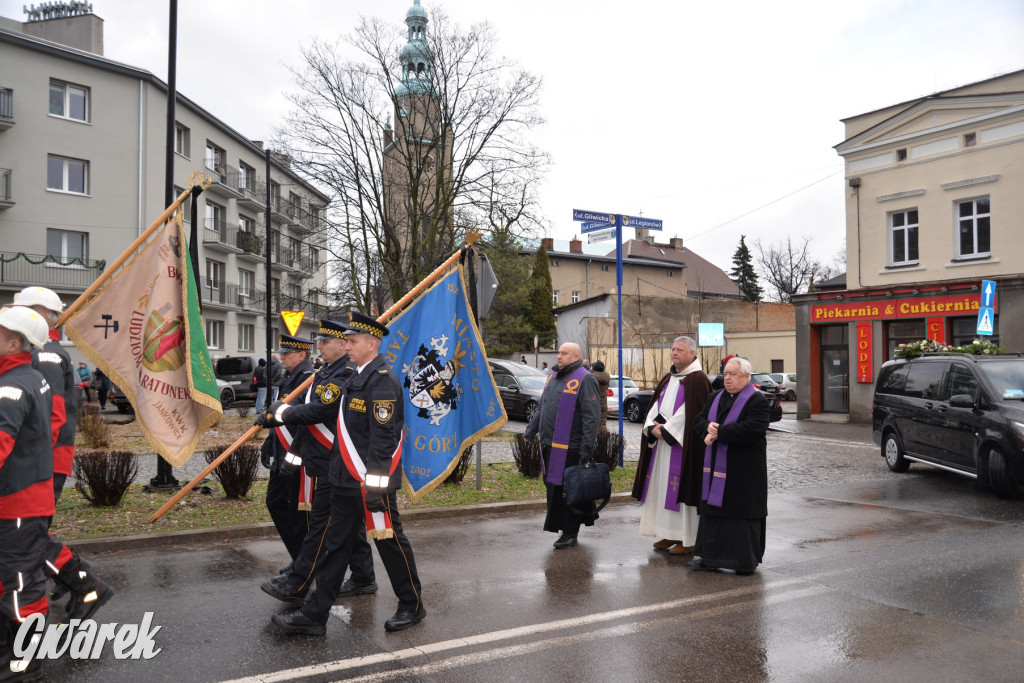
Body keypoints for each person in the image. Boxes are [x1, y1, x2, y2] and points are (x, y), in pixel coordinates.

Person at [270, 311, 425, 635]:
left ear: (372, 343)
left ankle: (411, 605)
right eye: (346, 341)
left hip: (370, 485)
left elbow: (383, 440)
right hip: (343, 479)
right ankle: (315, 616)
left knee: (390, 542)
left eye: (352, 341)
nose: (347, 345)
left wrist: (376, 488)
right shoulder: (355, 377)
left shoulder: (382, 381)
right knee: (336, 547)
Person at [12, 288, 114, 622]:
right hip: (38, 459)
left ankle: (86, 585)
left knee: (26, 535)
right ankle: (80, 584)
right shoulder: (42, 353)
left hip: (42, 460)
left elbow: (52, 417)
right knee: (26, 535)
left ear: (39, 314)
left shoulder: (47, 356)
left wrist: (32, 459)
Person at [256, 320, 375, 605]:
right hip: (326, 458)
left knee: (324, 524)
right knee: (344, 522)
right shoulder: (325, 372)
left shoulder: (343, 373)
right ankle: (362, 575)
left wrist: (280, 413)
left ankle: (302, 580)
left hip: (335, 458)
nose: (319, 346)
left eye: (326, 342)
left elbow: (319, 411)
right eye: (321, 342)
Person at [0, 306, 55, 679]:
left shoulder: (13, 385)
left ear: (14, 342)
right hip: (23, 495)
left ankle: (26, 658)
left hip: (18, 499)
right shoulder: (29, 377)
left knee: (21, 580)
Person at [690, 356, 770, 575]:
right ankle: (709, 557)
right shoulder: (715, 397)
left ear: (746, 376)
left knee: (738, 518)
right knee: (714, 514)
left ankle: (742, 561)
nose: (727, 378)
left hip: (743, 472)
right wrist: (707, 428)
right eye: (725, 374)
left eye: (733, 374)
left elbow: (753, 429)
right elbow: (698, 420)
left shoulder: (757, 401)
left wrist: (718, 433)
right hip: (715, 467)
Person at [631, 336, 711, 555]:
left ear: (692, 353)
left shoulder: (698, 379)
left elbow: (691, 412)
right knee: (662, 488)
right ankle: (668, 532)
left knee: (680, 489)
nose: (674, 353)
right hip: (662, 446)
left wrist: (666, 431)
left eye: (680, 350)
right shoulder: (670, 377)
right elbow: (655, 405)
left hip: (684, 449)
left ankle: (688, 539)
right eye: (673, 349)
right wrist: (651, 427)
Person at [524, 342, 601, 549]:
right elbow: (543, 407)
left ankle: (570, 532)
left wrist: (586, 448)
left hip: (572, 448)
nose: (559, 356)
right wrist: (530, 431)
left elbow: (591, 417)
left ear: (576, 357)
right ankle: (562, 526)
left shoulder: (585, 379)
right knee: (555, 490)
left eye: (564, 353)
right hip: (550, 446)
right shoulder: (553, 377)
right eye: (559, 353)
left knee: (569, 491)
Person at [259, 333, 315, 565]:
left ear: (301, 354)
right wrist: (267, 444)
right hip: (280, 451)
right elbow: (280, 414)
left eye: (286, 353)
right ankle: (299, 558)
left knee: (299, 512)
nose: (281, 356)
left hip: (296, 455)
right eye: (281, 352)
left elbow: (300, 417)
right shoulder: (290, 377)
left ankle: (303, 563)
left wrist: (292, 458)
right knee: (275, 502)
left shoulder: (308, 379)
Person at [589, 360, 611, 433]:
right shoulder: (606, 377)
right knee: (602, 422)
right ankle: (602, 440)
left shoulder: (590, 377)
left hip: (593, 401)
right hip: (603, 401)